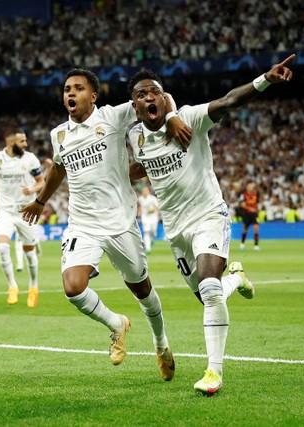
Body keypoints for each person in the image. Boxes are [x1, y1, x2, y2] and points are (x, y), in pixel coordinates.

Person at [125, 57, 295, 395]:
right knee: (209, 296)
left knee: (209, 288)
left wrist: (265, 79)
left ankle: (214, 373)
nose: (148, 98)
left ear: (163, 97)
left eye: (154, 92)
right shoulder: (134, 137)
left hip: (208, 215)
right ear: (135, 106)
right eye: (141, 95)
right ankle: (236, 278)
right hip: (175, 230)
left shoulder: (189, 117)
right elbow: (141, 168)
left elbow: (230, 100)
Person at [20, 68, 192, 380]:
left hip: (120, 223)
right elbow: (58, 169)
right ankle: (116, 323)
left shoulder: (113, 117)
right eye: (67, 89)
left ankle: (161, 342)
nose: (71, 93)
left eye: (79, 88)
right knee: (73, 287)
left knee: (142, 289)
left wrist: (174, 116)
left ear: (94, 96)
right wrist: (41, 200)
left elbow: (157, 96)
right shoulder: (59, 135)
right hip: (83, 224)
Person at [0, 128, 45, 308]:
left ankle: (33, 286)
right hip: (5, 210)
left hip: (26, 211)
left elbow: (42, 182)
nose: (25, 144)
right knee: (2, 247)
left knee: (30, 253)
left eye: (25, 140)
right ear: (11, 143)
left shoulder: (30, 159)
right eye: (22, 141)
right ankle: (12, 286)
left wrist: (32, 190)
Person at [239, 181, 261, 251]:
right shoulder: (243, 195)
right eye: (251, 186)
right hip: (246, 214)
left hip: (254, 214)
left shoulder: (256, 194)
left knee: (256, 228)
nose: (252, 187)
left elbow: (257, 203)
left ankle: (256, 245)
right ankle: (242, 243)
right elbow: (242, 205)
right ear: (247, 187)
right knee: (245, 230)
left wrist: (257, 210)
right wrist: (250, 209)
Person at [138, 186, 160, 254]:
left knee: (153, 232)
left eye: (145, 190)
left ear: (148, 191)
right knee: (146, 232)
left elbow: (158, 207)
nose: (144, 192)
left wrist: (152, 210)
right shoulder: (140, 198)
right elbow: (140, 206)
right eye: (143, 191)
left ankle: (152, 240)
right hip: (145, 217)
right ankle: (148, 248)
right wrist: (140, 212)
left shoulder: (152, 198)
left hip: (153, 217)